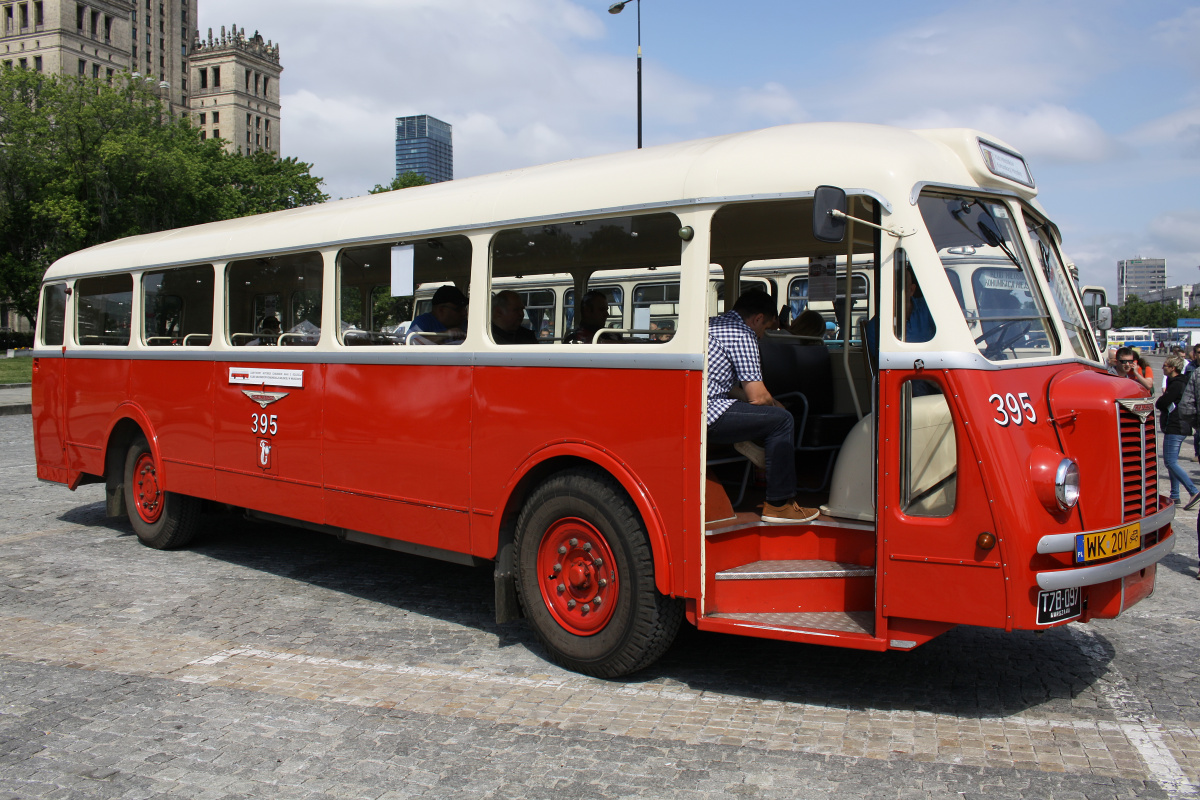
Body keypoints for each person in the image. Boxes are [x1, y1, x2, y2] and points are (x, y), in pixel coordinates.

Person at [707, 289, 818, 524]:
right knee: (781, 421)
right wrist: (779, 407)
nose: (763, 336)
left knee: (767, 415)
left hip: (696, 406)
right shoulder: (742, 333)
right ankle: (779, 504)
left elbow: (724, 386)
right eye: (765, 328)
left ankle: (745, 440)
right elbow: (758, 396)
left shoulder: (713, 324)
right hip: (709, 413)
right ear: (757, 319)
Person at [1157, 355, 1200, 509]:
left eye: (1165, 365)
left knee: (1170, 461)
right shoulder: (1178, 382)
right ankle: (1175, 494)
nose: (1163, 368)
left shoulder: (1177, 384)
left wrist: (1162, 400)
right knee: (1171, 461)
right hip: (1179, 425)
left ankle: (1193, 491)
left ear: (1172, 368)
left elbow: (1161, 403)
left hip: (1176, 425)